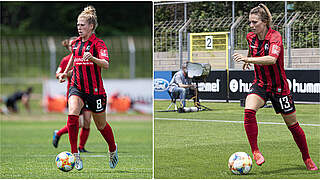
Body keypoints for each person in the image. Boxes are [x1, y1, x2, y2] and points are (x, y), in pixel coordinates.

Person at [233, 3, 318, 171]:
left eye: (255, 22)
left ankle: (307, 158)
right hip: (261, 84)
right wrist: (249, 58)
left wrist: (247, 60)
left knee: (293, 125)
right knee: (249, 110)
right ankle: (255, 151)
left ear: (264, 22)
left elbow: (272, 58)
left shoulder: (275, 36)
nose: (251, 25)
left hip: (279, 88)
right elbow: (253, 49)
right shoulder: (251, 37)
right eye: (250, 22)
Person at [58, 5, 118, 170]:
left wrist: (92, 58)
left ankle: (112, 148)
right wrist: (64, 73)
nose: (79, 28)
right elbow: (73, 58)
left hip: (96, 92)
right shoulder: (76, 43)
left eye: (82, 25)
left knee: (101, 126)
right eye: (77, 25)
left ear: (91, 26)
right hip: (77, 88)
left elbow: (105, 64)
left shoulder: (98, 44)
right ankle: (74, 154)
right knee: (72, 115)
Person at [52, 37, 92, 153]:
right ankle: (58, 133)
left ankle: (81, 147)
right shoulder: (66, 60)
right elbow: (58, 73)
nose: (73, 46)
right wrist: (63, 75)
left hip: (88, 92)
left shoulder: (85, 57)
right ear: (69, 47)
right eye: (71, 45)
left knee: (87, 121)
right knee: (78, 123)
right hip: (75, 93)